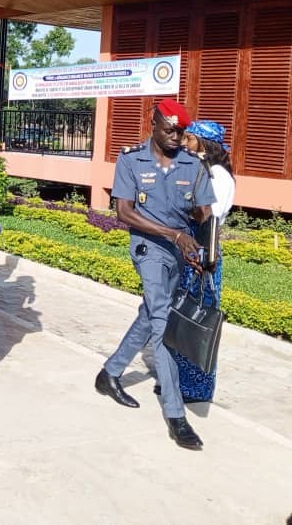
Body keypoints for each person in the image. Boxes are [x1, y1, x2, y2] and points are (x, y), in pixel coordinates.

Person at [95, 99, 214, 450]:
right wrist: (174, 234)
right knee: (162, 324)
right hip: (149, 249)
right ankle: (176, 416)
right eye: (170, 129)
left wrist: (203, 251)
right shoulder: (132, 160)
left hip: (180, 251)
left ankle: (110, 374)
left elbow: (206, 214)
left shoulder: (193, 165)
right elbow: (124, 212)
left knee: (149, 315)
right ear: (154, 123)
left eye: (181, 131)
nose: (176, 136)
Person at [171, 119, 236, 402]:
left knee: (200, 319)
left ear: (205, 144)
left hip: (204, 254)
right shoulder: (201, 172)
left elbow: (208, 215)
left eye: (190, 140)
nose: (185, 144)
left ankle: (197, 388)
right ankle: (177, 380)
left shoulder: (219, 176)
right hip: (189, 250)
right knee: (182, 314)